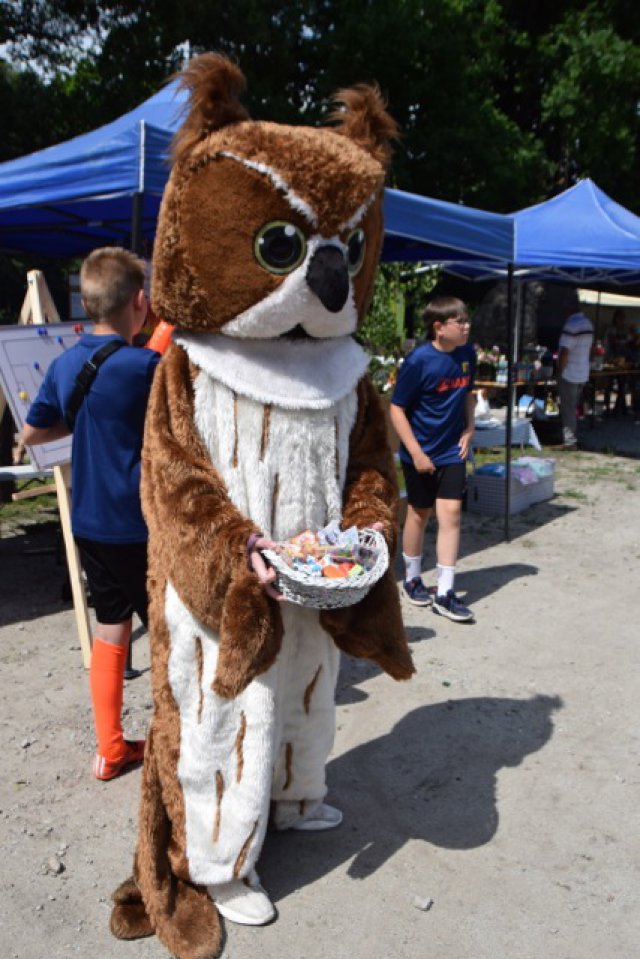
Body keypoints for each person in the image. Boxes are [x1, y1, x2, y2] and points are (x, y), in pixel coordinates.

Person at [21, 247, 161, 781]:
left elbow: (33, 432)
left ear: (87, 302)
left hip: (89, 522)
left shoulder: (65, 362)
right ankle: (177, 742)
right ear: (140, 302)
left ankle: (110, 748)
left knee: (110, 631)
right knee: (169, 634)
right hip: (138, 525)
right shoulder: (146, 366)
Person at [390, 295, 476, 622]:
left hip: (453, 450)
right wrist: (415, 452)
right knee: (419, 513)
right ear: (439, 328)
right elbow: (396, 408)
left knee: (451, 512)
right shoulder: (418, 362)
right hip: (420, 452)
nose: (467, 327)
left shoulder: (467, 354)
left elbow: (467, 394)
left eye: (467, 321)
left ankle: (445, 592)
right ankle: (412, 577)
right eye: (461, 322)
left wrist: (470, 428)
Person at [557, 308, 594, 449]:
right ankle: (571, 437)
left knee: (568, 408)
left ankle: (570, 441)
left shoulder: (570, 325)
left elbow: (565, 351)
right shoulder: (588, 324)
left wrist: (560, 369)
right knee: (573, 407)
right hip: (582, 372)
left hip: (569, 373)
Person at [604, 308, 630, 416]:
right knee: (609, 385)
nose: (622, 320)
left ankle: (619, 408)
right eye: (620, 317)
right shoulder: (611, 329)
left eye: (623, 318)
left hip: (621, 361)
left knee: (622, 385)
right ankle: (607, 408)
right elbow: (614, 343)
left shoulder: (623, 329)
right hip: (610, 360)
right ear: (616, 318)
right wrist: (625, 341)